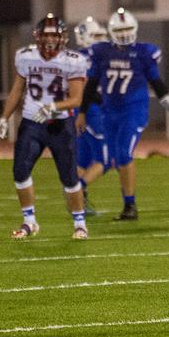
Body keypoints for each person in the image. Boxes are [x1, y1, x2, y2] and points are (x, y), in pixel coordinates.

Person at [79, 7, 169, 220]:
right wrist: (82, 111)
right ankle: (128, 205)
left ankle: (130, 206)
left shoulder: (144, 53)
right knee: (116, 159)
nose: (125, 32)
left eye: (128, 28)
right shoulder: (101, 52)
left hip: (133, 111)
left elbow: (157, 84)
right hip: (108, 112)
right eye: (121, 29)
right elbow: (91, 84)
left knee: (124, 154)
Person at [0, 14, 90, 239]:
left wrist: (52, 108)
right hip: (31, 123)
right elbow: (17, 90)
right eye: (46, 35)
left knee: (69, 178)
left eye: (54, 35)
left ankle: (80, 223)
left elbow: (76, 99)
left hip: (60, 125)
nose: (50, 40)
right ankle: (30, 221)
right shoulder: (25, 56)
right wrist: (4, 117)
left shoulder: (73, 60)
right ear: (38, 37)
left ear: (62, 37)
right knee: (20, 172)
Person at [72, 16, 110, 215]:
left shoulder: (74, 57)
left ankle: (80, 205)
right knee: (107, 159)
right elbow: (88, 87)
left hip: (75, 111)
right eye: (96, 35)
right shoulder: (92, 57)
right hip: (90, 111)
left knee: (83, 160)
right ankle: (76, 190)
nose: (100, 39)